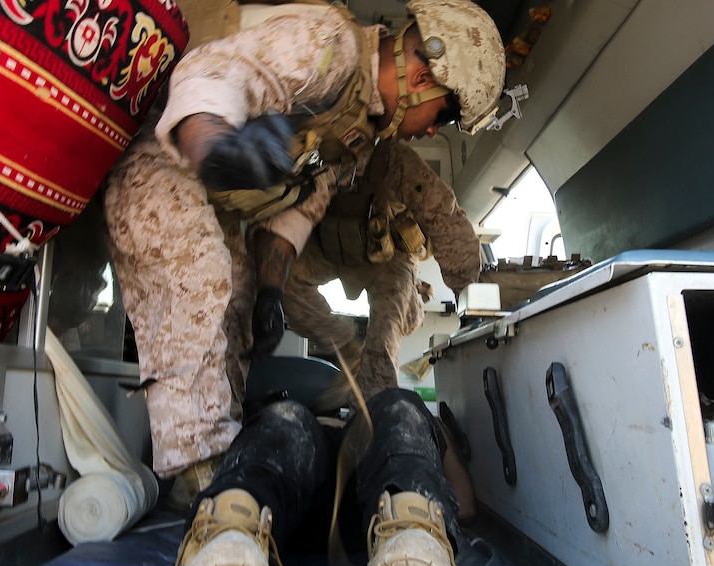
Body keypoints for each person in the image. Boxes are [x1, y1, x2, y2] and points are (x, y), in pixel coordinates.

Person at [102, 0, 506, 507]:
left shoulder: (357, 135)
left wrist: (271, 293)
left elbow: (295, 213)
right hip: (164, 165)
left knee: (240, 300)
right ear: (423, 75)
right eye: (444, 114)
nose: (431, 130)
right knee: (201, 279)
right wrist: (216, 146)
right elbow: (215, 70)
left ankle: (225, 460)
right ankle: (202, 481)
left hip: (215, 198)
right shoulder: (329, 43)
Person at [163, 388, 465, 566]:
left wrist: (431, 428)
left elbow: (467, 504)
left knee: (399, 405)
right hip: (289, 500)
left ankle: (413, 536)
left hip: (377, 513)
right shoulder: (301, 419)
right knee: (287, 417)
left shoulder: (387, 420)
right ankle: (230, 536)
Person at [282, 138, 481, 403]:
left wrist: (471, 298)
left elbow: (446, 219)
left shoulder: (394, 159)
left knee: (383, 341)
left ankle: (373, 418)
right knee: (283, 281)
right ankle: (345, 346)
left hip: (390, 256)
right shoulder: (313, 149)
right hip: (333, 243)